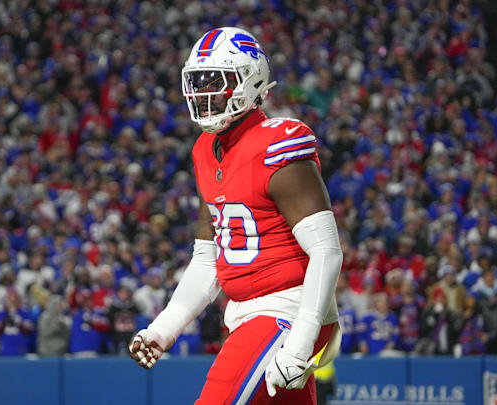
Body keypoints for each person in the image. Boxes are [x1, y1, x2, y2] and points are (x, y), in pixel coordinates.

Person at [128, 27, 342, 405]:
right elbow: (208, 257)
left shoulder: (277, 142)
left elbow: (326, 250)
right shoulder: (204, 151)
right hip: (243, 314)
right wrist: (165, 326)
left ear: (250, 81)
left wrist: (303, 336)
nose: (204, 93)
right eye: (198, 82)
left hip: (287, 310)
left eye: (217, 82)